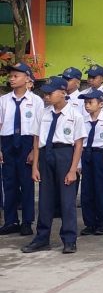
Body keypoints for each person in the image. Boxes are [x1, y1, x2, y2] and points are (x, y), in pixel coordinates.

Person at [22, 76, 86, 254]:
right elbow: (36, 139)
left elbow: (79, 144)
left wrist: (73, 169)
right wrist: (35, 165)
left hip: (65, 154)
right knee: (45, 199)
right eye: (45, 93)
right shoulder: (43, 113)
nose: (46, 97)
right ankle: (42, 238)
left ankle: (69, 239)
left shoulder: (75, 115)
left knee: (67, 201)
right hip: (45, 154)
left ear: (63, 93)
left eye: (50, 93)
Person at [0, 62, 43, 237]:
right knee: (9, 183)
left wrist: (34, 151)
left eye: (16, 76)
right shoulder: (3, 101)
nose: (12, 79)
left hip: (27, 143)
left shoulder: (36, 101)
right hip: (8, 142)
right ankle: (11, 221)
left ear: (27, 78)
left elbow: (39, 129)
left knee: (26, 183)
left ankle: (27, 221)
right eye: (10, 76)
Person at [78, 89, 103, 237]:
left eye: (90, 102)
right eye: (85, 102)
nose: (87, 105)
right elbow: (79, 141)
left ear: (101, 104)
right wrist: (79, 163)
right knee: (87, 191)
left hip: (102, 155)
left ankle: (102, 222)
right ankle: (89, 223)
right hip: (86, 154)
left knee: (101, 190)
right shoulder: (82, 120)